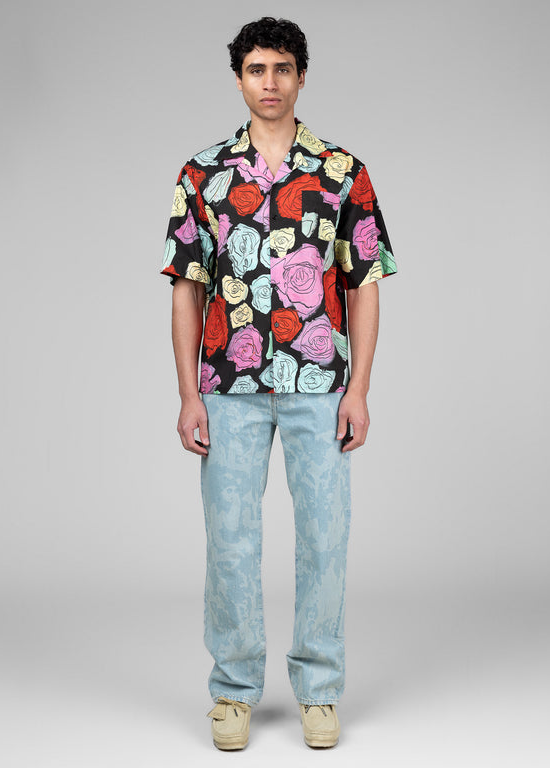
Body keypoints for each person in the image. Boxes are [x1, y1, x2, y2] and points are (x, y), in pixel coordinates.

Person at [161, 16, 396, 750]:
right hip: (227, 385)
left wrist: (359, 389)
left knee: (325, 538)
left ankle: (319, 690)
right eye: (257, 69)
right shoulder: (202, 175)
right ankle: (233, 691)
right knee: (230, 542)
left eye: (282, 68)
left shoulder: (342, 172)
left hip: (320, 384)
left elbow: (363, 284)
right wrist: (188, 394)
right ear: (239, 78)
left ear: (300, 76)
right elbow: (186, 290)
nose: (270, 82)